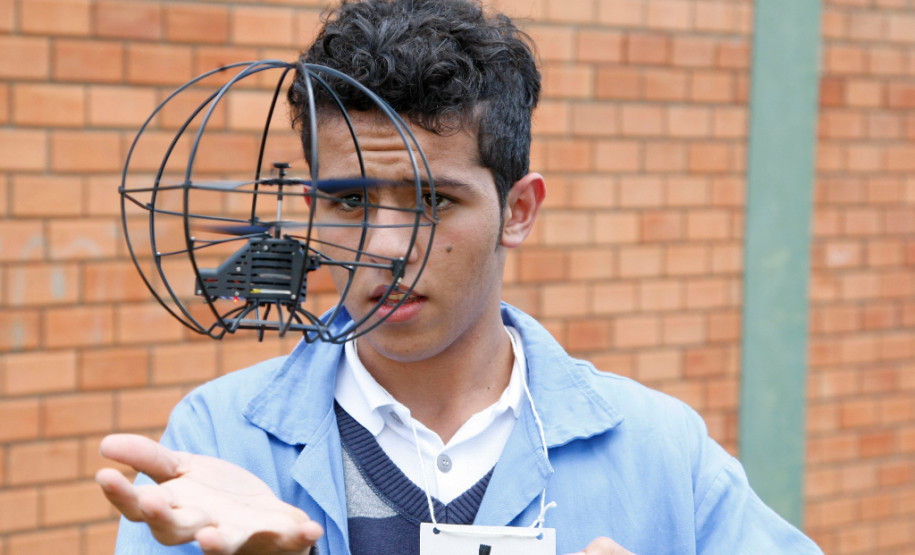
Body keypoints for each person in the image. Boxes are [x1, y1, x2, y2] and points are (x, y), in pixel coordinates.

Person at [96, 1, 825, 554]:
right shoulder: (219, 438)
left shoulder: (658, 451)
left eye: (431, 200)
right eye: (348, 200)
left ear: (517, 209)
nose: (384, 245)